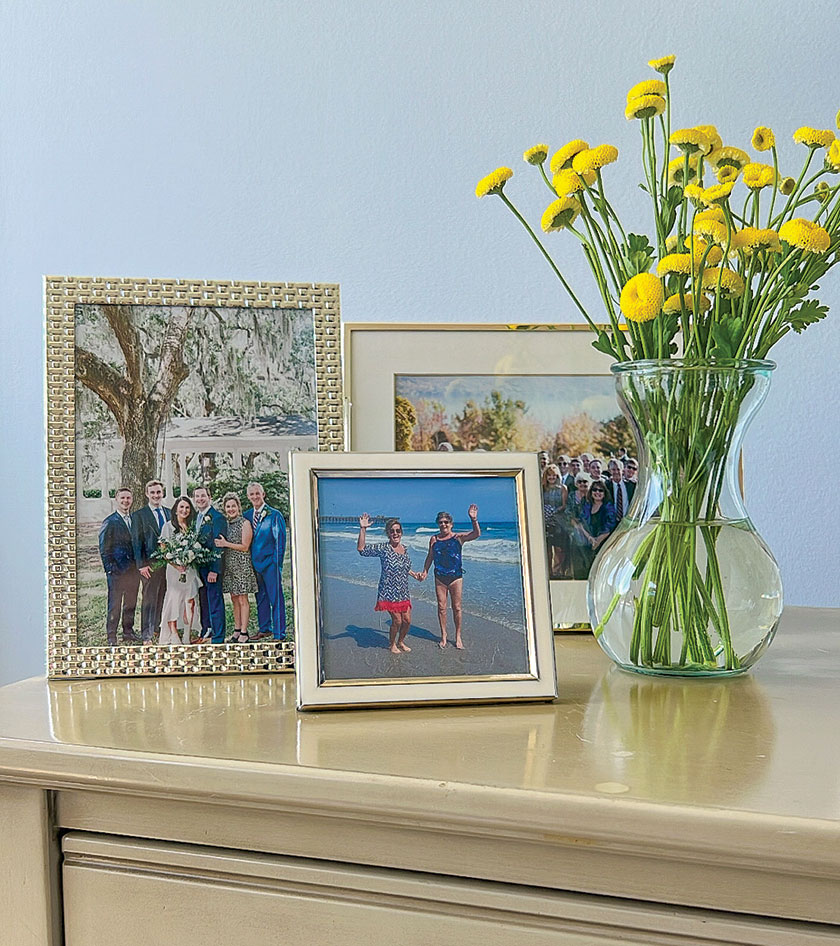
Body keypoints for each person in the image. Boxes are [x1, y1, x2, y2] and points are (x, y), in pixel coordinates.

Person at [357, 515, 422, 654]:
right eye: (392, 531)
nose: (395, 534)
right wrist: (363, 529)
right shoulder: (383, 548)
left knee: (407, 621)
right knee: (397, 621)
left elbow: (404, 567)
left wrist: (415, 574)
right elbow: (362, 549)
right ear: (388, 533)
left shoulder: (405, 549)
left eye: (398, 531)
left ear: (401, 532)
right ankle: (392, 644)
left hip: (403, 591)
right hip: (388, 591)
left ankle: (401, 641)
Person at [418, 505, 480, 649]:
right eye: (441, 522)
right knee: (441, 607)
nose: (443, 524)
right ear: (438, 524)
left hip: (456, 577)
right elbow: (430, 556)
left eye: (446, 522)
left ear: (451, 524)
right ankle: (444, 635)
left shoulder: (458, 538)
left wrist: (474, 519)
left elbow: (476, 534)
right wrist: (425, 571)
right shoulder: (434, 539)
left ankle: (458, 636)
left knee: (457, 608)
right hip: (440, 577)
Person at [243, 482, 287, 640]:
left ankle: (279, 632)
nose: (255, 496)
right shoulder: (247, 515)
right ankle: (265, 628)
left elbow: (280, 542)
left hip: (270, 564)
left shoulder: (274, 515)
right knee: (260, 597)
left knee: (276, 598)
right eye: (252, 494)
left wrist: (277, 564)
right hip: (254, 564)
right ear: (248, 497)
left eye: (257, 493)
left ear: (263, 494)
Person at [98, 487, 140, 645]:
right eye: (122, 498)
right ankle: (111, 636)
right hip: (116, 572)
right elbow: (104, 548)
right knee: (114, 604)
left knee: (131, 602)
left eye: (128, 498)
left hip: (133, 571)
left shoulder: (134, 520)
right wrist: (110, 569)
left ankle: (128, 632)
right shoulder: (110, 521)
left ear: (132, 499)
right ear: (116, 500)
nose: (125, 501)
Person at [158, 496, 202, 645]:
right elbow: (164, 551)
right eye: (181, 507)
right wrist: (177, 565)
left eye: (187, 508)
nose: (184, 510)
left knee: (190, 601)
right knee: (174, 600)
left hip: (189, 570)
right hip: (174, 570)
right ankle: (174, 632)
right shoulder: (168, 526)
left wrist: (189, 560)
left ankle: (187, 634)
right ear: (176, 509)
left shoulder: (192, 527)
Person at [132, 479, 171, 644]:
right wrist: (141, 565)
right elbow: (136, 542)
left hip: (169, 564)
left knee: (163, 595)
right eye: (153, 492)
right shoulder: (139, 515)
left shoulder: (169, 513)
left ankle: (157, 627)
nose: (156, 495)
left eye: (158, 492)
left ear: (163, 493)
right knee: (149, 598)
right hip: (149, 564)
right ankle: (146, 634)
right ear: (147, 494)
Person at [215, 492, 258, 642]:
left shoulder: (244, 523)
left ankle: (245, 632)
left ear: (238, 507)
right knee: (234, 598)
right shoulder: (226, 524)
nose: (231, 509)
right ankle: (237, 630)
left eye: (233, 506)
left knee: (242, 599)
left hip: (241, 565)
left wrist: (226, 544)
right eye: (228, 506)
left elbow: (245, 546)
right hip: (230, 566)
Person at [192, 486, 228, 644]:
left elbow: (218, 545)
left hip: (211, 567)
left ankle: (218, 636)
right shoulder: (196, 517)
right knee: (203, 600)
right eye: (197, 496)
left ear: (209, 497)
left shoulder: (217, 517)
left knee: (214, 600)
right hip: (199, 567)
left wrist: (215, 570)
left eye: (203, 496)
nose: (200, 499)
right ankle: (206, 630)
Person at [576, 480, 616, 576]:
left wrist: (597, 542)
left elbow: (609, 527)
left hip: (603, 543)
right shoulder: (586, 505)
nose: (597, 492)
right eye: (594, 490)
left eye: (600, 490)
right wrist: (590, 538)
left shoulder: (608, 507)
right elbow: (581, 523)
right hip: (587, 542)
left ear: (604, 493)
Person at [561, 472, 593, 580]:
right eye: (580, 482)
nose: (582, 484)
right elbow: (568, 512)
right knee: (577, 556)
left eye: (585, 481)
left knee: (588, 556)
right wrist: (576, 525)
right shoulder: (572, 495)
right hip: (575, 530)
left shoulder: (591, 496)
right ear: (576, 483)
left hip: (590, 531)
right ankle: (578, 578)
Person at [541, 464, 567, 579]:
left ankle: (558, 571)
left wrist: (554, 511)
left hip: (558, 520)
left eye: (554, 475)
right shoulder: (542, 488)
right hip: (545, 521)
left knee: (559, 548)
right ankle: (548, 573)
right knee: (547, 548)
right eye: (549, 476)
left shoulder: (562, 488)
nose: (551, 478)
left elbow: (564, 505)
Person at [605, 459, 631, 523]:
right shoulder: (606, 486)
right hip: (612, 523)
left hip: (628, 521)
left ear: (622, 470)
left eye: (618, 469)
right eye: (613, 470)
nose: (616, 472)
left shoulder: (631, 485)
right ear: (609, 471)